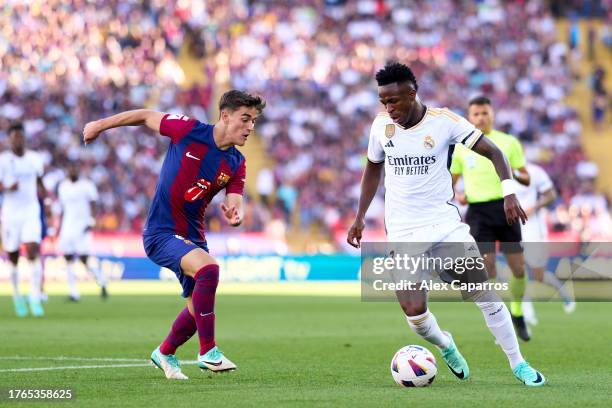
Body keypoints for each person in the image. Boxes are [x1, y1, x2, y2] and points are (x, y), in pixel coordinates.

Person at [347, 62, 545, 386]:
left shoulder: (445, 122)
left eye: (393, 101)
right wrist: (359, 217)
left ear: (412, 94)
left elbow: (495, 152)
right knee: (415, 314)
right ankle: (446, 344)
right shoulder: (381, 126)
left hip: (444, 226)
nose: (388, 108)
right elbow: (372, 169)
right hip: (404, 231)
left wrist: (509, 193)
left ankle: (518, 363)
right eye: (383, 102)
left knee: (483, 292)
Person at [83, 90, 265, 380]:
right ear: (225, 115)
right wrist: (99, 125)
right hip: (161, 232)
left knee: (197, 307)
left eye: (254, 121)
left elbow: (235, 200)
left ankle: (165, 352)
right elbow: (144, 116)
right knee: (209, 269)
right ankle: (208, 351)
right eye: (246, 119)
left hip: (193, 237)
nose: (251, 127)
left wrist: (235, 214)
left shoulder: (236, 162)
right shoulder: (189, 130)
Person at [450, 96, 532, 341]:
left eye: (484, 113)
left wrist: (512, 173)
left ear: (492, 115)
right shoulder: (462, 148)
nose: (480, 118)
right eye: (475, 114)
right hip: (478, 213)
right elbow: (450, 184)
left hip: (506, 208)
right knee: (487, 268)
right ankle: (501, 317)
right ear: (469, 117)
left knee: (518, 269)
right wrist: (460, 195)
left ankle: (517, 312)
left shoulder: (508, 143)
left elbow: (526, 177)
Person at [516, 162, 575, 326]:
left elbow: (551, 195)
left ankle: (566, 297)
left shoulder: (535, 171)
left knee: (538, 275)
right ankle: (526, 314)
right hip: (514, 228)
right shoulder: (502, 171)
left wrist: (533, 208)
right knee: (518, 272)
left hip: (535, 229)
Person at [0, 122, 47, 317]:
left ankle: (35, 297)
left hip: (30, 212)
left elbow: (39, 182)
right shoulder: (3, 161)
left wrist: (48, 203)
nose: (18, 140)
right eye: (14, 137)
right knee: (13, 257)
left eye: (20, 136)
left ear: (24, 138)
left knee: (33, 249)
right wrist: (7, 188)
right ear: (9, 139)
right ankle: (17, 296)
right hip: (11, 214)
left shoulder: (35, 159)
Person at [57, 162, 108, 301]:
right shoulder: (63, 186)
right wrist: (58, 227)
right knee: (67, 258)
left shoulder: (87, 185)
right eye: (70, 168)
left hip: (82, 227)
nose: (72, 171)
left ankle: (101, 280)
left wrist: (91, 221)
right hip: (67, 227)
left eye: (75, 168)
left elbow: (94, 204)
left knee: (84, 259)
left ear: (78, 170)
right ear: (68, 171)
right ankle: (73, 292)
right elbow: (62, 208)